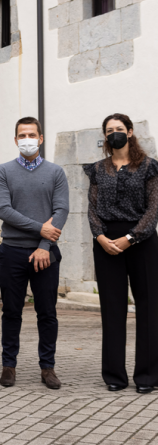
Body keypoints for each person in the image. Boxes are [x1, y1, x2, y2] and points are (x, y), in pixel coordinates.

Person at [84, 113, 158, 394]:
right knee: (112, 309)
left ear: (129, 132)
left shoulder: (149, 167)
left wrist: (130, 237)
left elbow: (153, 210)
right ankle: (114, 375)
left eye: (119, 129)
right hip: (105, 243)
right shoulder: (97, 169)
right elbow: (92, 208)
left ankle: (148, 376)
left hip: (142, 241)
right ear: (105, 137)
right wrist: (100, 236)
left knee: (149, 307)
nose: (113, 133)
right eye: (108, 130)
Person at [0, 117, 69, 390]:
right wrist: (41, 230)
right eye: (22, 135)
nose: (27, 139)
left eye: (32, 134)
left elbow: (61, 211)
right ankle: (8, 366)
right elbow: (4, 210)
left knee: (47, 313)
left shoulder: (55, 172)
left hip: (46, 254)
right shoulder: (4, 171)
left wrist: (44, 245)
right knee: (11, 312)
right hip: (12, 251)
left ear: (41, 138)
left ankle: (47, 368)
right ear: (15, 140)